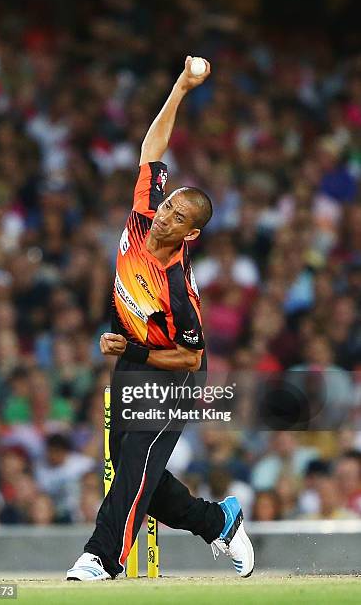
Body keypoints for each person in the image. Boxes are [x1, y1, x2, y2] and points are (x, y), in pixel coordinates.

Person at [67, 56, 254, 581]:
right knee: (139, 477)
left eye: (179, 217)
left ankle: (101, 558)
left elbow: (191, 354)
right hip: (133, 365)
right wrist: (181, 84)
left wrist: (131, 350)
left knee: (132, 471)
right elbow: (152, 149)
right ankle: (220, 520)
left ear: (191, 234)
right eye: (169, 204)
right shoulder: (143, 208)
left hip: (173, 376)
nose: (166, 215)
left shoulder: (178, 287)